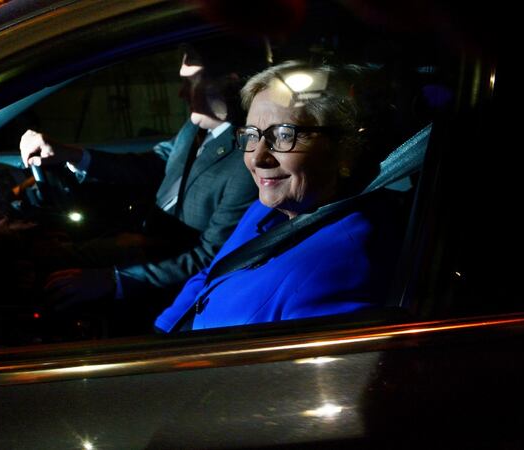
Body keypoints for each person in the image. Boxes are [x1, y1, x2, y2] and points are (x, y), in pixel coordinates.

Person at [155, 61, 403, 332]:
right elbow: (212, 273)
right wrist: (163, 332)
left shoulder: (340, 268)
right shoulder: (267, 209)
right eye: (251, 135)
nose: (257, 157)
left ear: (346, 149)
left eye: (285, 135)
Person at [19, 40, 262, 309]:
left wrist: (114, 281)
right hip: (145, 243)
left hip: (172, 285)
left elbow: (209, 259)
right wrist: (71, 155)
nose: (182, 93)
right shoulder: (199, 126)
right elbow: (156, 162)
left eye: (192, 82)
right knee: (42, 257)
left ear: (229, 84)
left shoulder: (246, 163)